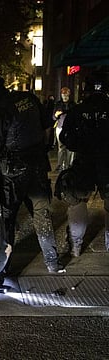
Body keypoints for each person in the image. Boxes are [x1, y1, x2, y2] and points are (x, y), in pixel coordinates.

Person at [0, 73, 64, 277]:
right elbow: (46, 124)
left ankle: (0, 270)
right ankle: (53, 262)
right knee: (42, 214)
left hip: (12, 174)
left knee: (6, 219)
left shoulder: (0, 111)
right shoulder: (28, 98)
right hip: (37, 167)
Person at [57, 71, 109, 256]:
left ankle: (76, 246)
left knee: (77, 201)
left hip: (83, 161)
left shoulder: (78, 110)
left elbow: (65, 138)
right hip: (107, 163)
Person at [53, 87, 76, 171]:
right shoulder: (58, 104)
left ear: (69, 94)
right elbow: (53, 117)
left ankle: (70, 165)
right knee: (61, 147)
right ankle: (60, 165)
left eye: (66, 94)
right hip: (60, 127)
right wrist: (56, 115)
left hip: (70, 128)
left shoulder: (73, 104)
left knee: (70, 147)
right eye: (63, 94)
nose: (64, 96)